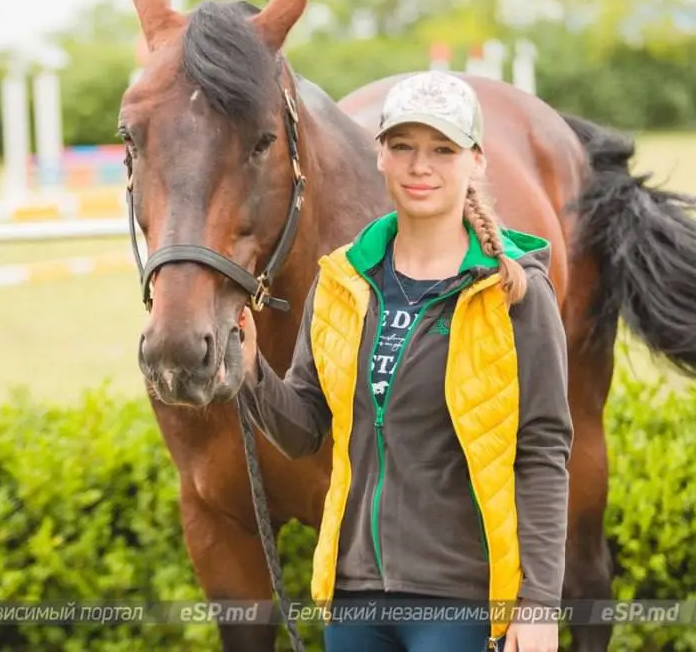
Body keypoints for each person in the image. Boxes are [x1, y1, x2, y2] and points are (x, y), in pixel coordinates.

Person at [236, 70, 572, 652]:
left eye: (443, 149)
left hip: (461, 601)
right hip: (354, 597)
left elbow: (542, 452)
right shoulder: (342, 281)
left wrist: (538, 603)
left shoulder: (512, 291)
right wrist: (250, 373)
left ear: (476, 162)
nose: (422, 166)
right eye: (404, 147)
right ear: (381, 157)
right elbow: (304, 430)